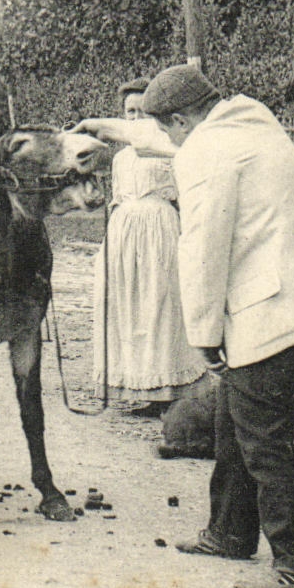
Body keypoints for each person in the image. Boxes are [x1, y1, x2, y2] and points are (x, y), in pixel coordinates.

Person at [81, 65, 294, 588]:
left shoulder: (204, 155)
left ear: (183, 120)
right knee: (234, 410)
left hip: (275, 307)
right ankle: (229, 531)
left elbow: (203, 249)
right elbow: (161, 136)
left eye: (171, 129)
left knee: (262, 433)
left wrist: (203, 334)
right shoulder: (250, 120)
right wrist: (104, 127)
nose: (169, 140)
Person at [78, 77, 205, 416]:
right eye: (128, 112)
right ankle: (140, 386)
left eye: (140, 111)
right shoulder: (119, 158)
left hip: (160, 229)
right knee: (128, 304)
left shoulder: (171, 150)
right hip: (124, 231)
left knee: (160, 303)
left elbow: (188, 194)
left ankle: (170, 390)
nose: (134, 118)